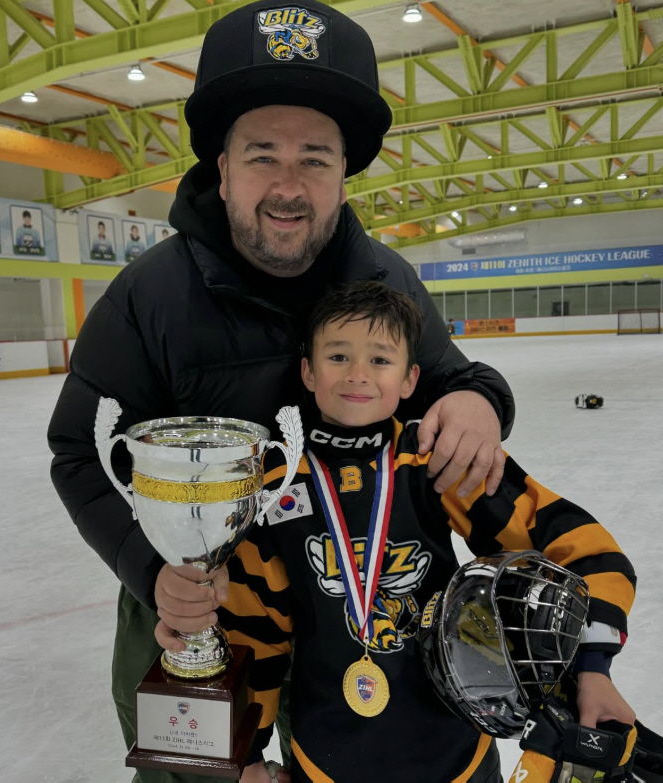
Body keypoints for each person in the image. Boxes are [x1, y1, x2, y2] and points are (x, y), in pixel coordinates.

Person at [47, 2, 517, 781]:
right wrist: (147, 568)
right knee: (191, 777)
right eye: (262, 154)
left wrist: (479, 400)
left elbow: (458, 380)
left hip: (352, 604)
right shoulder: (148, 295)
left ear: (345, 173)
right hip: (187, 604)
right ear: (221, 167)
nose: (288, 186)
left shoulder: (384, 280)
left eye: (316, 159)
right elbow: (76, 449)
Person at [207, 281, 636, 783]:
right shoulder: (278, 490)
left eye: (381, 360)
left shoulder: (436, 461)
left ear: (411, 379)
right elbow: (252, 632)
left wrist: (593, 668)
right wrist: (247, 755)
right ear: (307, 370)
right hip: (323, 757)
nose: (358, 375)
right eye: (338, 356)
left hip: (457, 752)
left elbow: (588, 552)